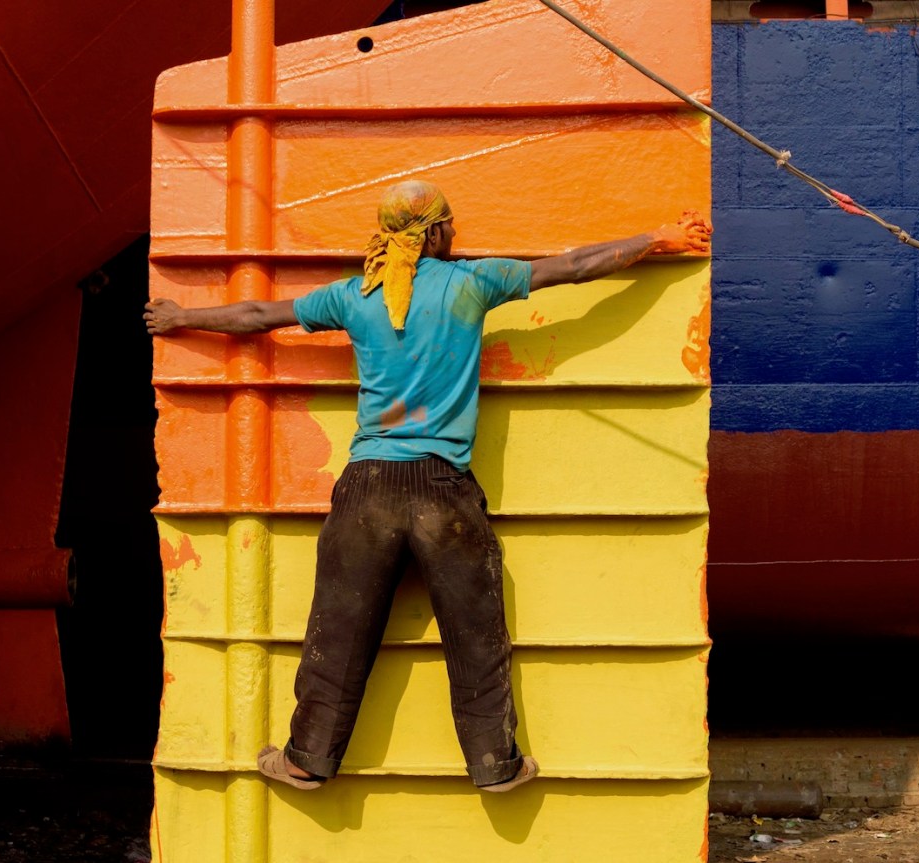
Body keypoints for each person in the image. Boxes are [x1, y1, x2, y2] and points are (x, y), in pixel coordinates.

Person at [145, 180, 712, 793]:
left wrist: (182, 318)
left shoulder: (354, 297)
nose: (457, 233)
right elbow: (574, 268)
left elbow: (258, 316)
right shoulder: (473, 284)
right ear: (436, 233)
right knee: (476, 630)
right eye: (451, 223)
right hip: (445, 488)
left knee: (336, 628)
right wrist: (660, 238)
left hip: (368, 488)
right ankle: (496, 766)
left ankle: (306, 759)